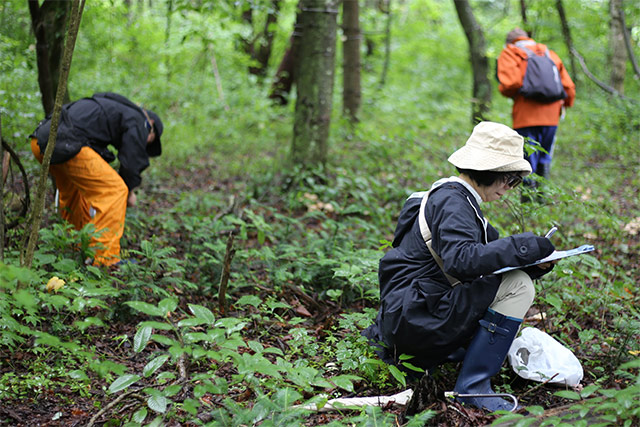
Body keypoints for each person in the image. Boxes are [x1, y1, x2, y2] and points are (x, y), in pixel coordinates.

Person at [362, 121, 557, 412]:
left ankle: (465, 371)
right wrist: (523, 246)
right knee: (519, 287)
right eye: (510, 179)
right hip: (417, 317)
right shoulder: (454, 204)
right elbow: (463, 260)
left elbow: (487, 262)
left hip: (406, 315)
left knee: (518, 279)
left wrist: (536, 265)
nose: (510, 188)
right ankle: (473, 388)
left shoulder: (452, 200)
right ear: (492, 172)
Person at [30, 92, 163, 266]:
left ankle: (77, 248)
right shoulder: (140, 120)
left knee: (74, 196)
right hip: (66, 142)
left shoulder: (116, 108)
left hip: (40, 142)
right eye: (150, 140)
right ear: (151, 125)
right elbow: (132, 161)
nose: (146, 143)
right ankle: (105, 259)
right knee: (115, 191)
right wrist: (129, 191)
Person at [497, 28, 575, 186]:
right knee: (545, 156)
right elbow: (568, 87)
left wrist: (505, 91)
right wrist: (565, 104)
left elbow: (510, 83)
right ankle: (541, 198)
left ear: (509, 42)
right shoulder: (548, 53)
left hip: (526, 115)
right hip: (552, 116)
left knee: (527, 160)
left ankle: (527, 204)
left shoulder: (510, 52)